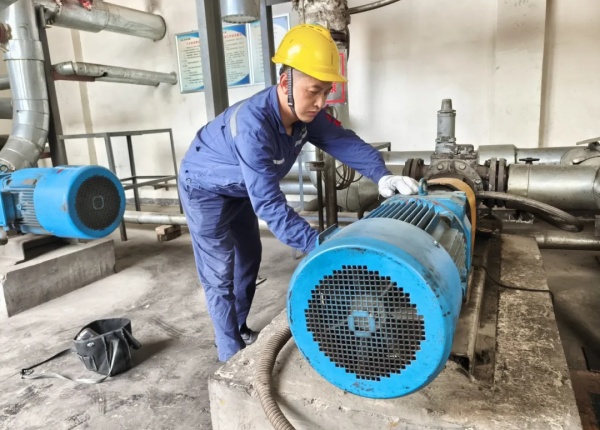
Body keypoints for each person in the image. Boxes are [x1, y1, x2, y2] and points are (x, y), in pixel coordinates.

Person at [179, 24, 419, 362]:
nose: (320, 102)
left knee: (249, 255)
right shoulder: (253, 126)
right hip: (204, 188)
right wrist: (317, 245)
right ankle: (230, 355)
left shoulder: (308, 114)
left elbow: (344, 142)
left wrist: (383, 176)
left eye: (327, 92)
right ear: (284, 84)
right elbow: (269, 204)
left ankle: (239, 326)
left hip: (239, 190)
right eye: (313, 91)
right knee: (219, 271)